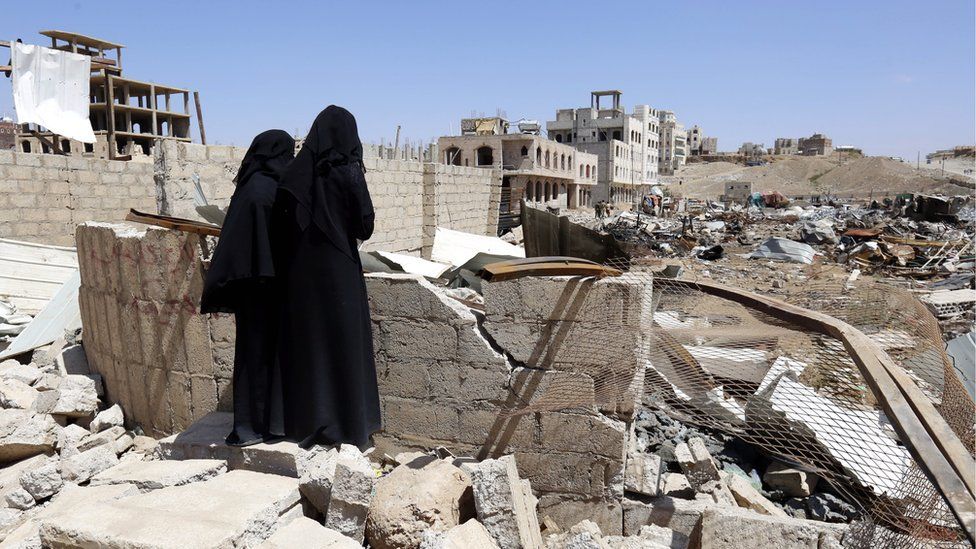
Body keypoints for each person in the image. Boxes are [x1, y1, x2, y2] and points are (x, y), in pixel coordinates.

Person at [273, 106, 380, 449]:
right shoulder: (348, 172)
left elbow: (281, 226)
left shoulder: (293, 174)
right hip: (340, 270)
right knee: (345, 347)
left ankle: (310, 422)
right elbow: (366, 225)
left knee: (311, 348)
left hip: (302, 274)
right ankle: (350, 426)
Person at [200, 129, 295, 446]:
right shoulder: (268, 191)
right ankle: (258, 427)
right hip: (264, 288)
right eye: (287, 155)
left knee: (251, 356)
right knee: (265, 357)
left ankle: (250, 426)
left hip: (248, 287)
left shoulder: (247, 188)